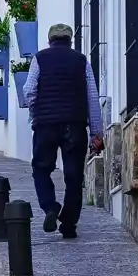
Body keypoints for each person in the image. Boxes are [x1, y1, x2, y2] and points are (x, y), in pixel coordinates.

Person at [20, 23, 104, 239]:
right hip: (74, 125)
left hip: (45, 125)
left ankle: (50, 206)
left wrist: (36, 112)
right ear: (70, 40)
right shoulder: (81, 60)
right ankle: (68, 224)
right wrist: (96, 133)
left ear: (50, 40)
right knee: (73, 176)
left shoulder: (39, 58)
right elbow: (92, 97)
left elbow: (29, 90)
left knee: (41, 169)